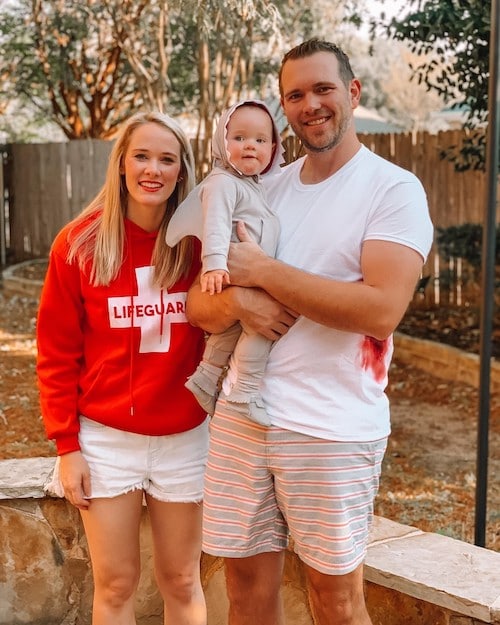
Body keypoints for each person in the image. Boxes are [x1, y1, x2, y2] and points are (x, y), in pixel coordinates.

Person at [186, 39, 434, 625]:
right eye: (294, 95)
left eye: (322, 89)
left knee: (336, 601)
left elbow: (381, 311)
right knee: (244, 590)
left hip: (330, 427)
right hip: (242, 419)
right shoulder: (262, 186)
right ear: (283, 108)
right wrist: (243, 303)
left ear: (352, 92)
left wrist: (265, 273)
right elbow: (201, 304)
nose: (310, 105)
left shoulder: (392, 189)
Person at [36, 111, 209, 625]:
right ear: (121, 165)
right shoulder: (79, 244)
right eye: (141, 156)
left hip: (184, 437)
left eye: (166, 159)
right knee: (115, 584)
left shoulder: (201, 247)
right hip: (106, 438)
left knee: (181, 580)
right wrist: (67, 446)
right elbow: (55, 353)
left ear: (182, 171)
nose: (153, 169)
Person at [166, 100, 284, 425]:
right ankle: (244, 392)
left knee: (232, 327)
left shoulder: (252, 186)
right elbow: (216, 223)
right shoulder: (222, 182)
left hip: (250, 271)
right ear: (222, 141)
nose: (250, 145)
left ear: (273, 148)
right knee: (261, 328)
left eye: (261, 140)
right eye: (240, 137)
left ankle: (205, 378)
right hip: (235, 270)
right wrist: (215, 263)